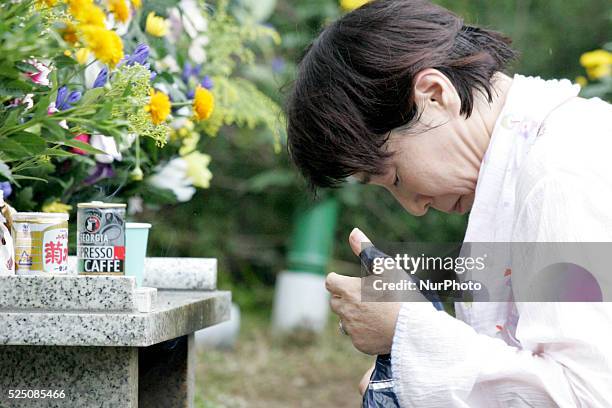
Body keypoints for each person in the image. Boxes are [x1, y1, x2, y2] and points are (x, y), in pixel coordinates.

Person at [284, 0, 612, 406]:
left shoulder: (560, 173)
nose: (414, 207)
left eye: (395, 178)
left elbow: (586, 395)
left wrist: (406, 331)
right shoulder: (543, 154)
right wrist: (408, 367)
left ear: (435, 95)